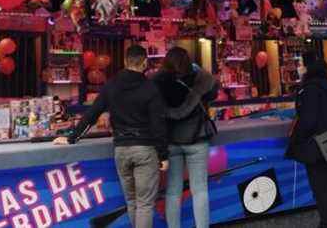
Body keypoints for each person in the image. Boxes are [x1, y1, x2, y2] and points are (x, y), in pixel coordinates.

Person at [54, 45, 167, 228]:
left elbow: (92, 114)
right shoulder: (151, 88)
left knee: (131, 201)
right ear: (145, 62)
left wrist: (72, 137)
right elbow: (158, 124)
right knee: (145, 204)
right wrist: (163, 154)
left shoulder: (111, 85)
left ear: (124, 61)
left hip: (121, 149)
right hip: (145, 149)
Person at [153, 47, 219, 228]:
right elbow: (214, 91)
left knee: (173, 191)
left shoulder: (159, 82)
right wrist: (199, 69)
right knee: (200, 190)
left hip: (172, 141)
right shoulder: (199, 79)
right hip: (197, 139)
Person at [286, 52, 327, 228]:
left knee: (319, 183)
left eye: (301, 63)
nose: (299, 66)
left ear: (309, 67)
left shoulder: (309, 88)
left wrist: (297, 138)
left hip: (316, 142)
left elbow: (308, 120)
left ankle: (326, 222)